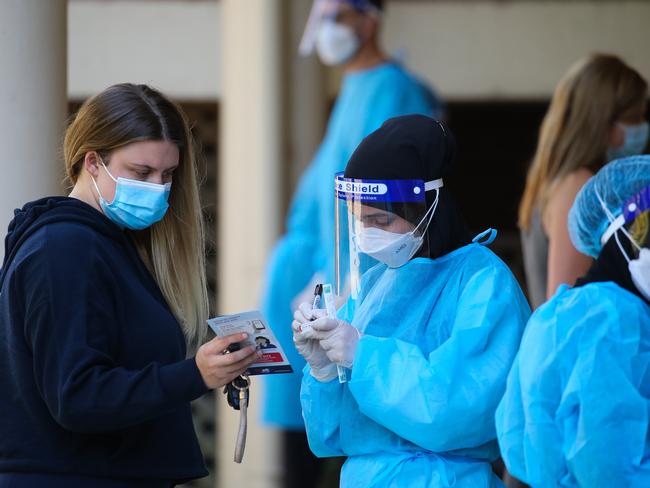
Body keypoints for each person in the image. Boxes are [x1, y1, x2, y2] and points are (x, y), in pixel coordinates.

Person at [0, 83, 259, 487]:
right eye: (141, 172)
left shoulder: (104, 244)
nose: (157, 187)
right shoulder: (67, 248)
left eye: (168, 174)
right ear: (92, 162)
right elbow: (78, 396)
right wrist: (195, 374)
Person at [261, 0, 443, 485]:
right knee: (307, 426)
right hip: (313, 283)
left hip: (351, 285)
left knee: (340, 431)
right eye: (322, 16)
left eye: (338, 15)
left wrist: (336, 275)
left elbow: (386, 208)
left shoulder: (392, 89)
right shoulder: (354, 90)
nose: (326, 28)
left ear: (370, 18)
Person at [293, 115, 530, 487]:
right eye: (359, 221)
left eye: (381, 221)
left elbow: (452, 411)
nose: (367, 235)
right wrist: (324, 372)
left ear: (429, 206)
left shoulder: (485, 285)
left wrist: (363, 356)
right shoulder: (373, 285)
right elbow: (330, 438)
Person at [496, 156, 650, 487]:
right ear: (628, 231)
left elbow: (516, 441)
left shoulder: (560, 312)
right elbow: (608, 468)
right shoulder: (614, 321)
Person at [518, 53, 647, 310]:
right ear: (602, 123)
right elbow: (565, 306)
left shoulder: (560, 182)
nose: (643, 127)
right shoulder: (577, 187)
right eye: (635, 118)